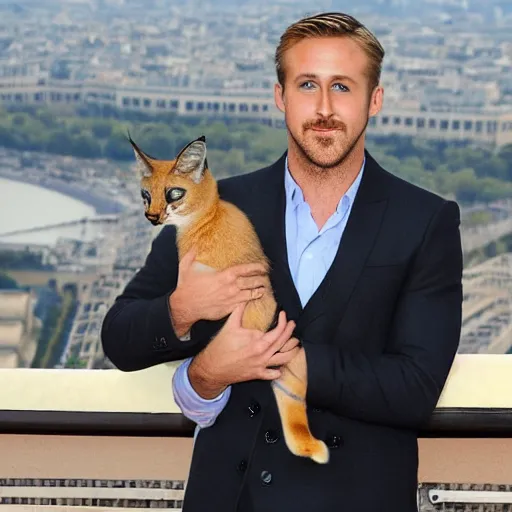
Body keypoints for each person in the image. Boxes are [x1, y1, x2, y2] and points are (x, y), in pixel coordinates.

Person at [101, 11, 463, 512]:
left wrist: (279, 361)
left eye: (342, 87)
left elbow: (415, 388)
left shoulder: (426, 221)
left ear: (374, 100)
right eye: (307, 84)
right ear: (280, 97)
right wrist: (182, 309)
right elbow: (118, 337)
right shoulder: (216, 206)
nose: (323, 107)